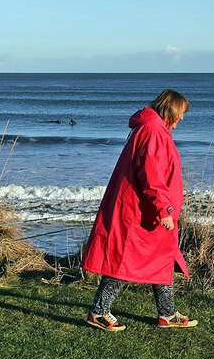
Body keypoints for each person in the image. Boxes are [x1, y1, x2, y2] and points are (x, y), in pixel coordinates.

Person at [81, 89, 197, 331]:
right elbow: (152, 176)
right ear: (170, 110)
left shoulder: (153, 129)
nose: (183, 119)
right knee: (127, 260)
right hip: (142, 212)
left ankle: (167, 313)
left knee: (162, 258)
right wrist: (164, 209)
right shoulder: (154, 132)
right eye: (181, 113)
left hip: (148, 210)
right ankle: (98, 311)